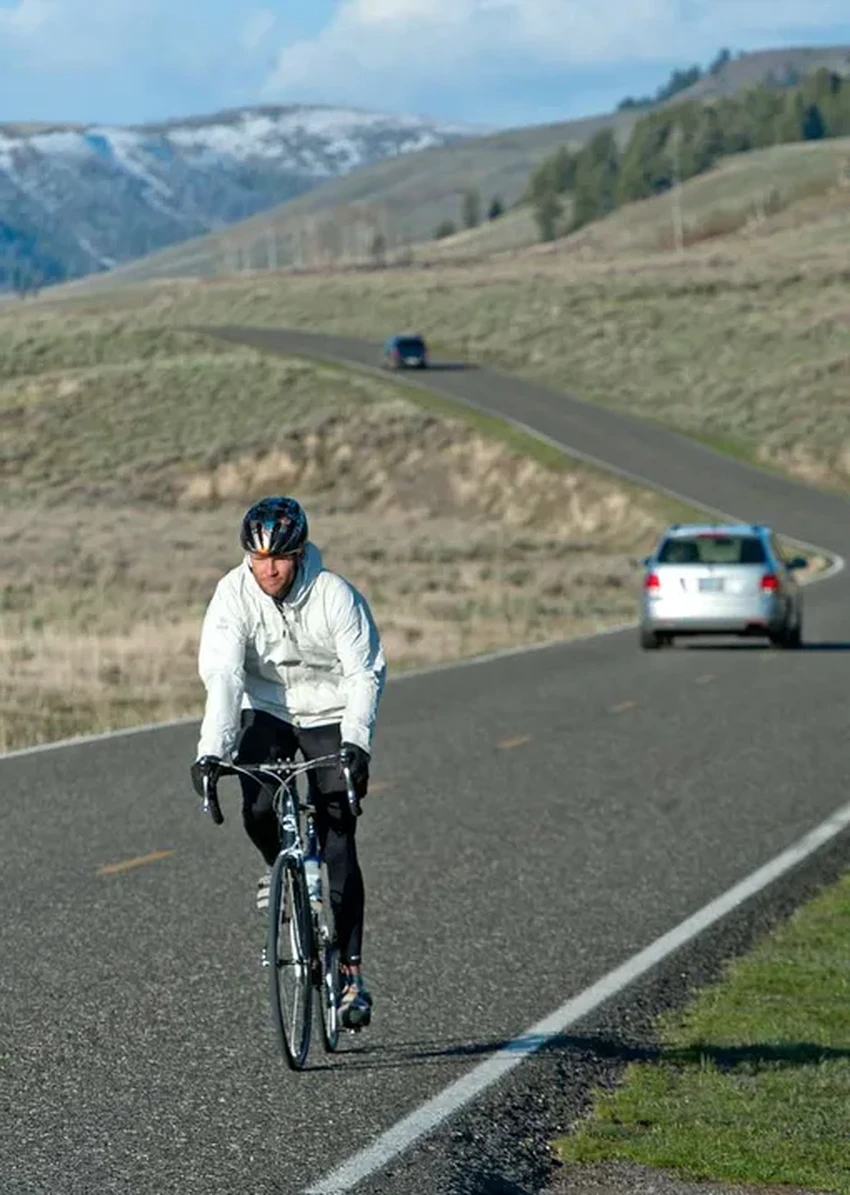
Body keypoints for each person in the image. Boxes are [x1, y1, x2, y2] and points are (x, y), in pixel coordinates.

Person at [190, 495, 386, 1029]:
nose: (267, 569)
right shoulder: (232, 597)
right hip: (268, 708)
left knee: (339, 827)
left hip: (331, 710)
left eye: (278, 558)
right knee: (255, 805)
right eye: (256, 558)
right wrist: (211, 751)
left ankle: (349, 974)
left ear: (298, 554)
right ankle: (283, 875)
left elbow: (363, 674)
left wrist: (356, 745)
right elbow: (225, 677)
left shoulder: (334, 596)